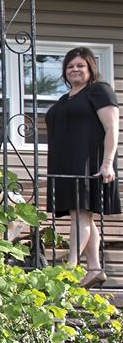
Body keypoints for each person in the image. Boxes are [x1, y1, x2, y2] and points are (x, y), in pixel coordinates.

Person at [45, 47, 120, 289]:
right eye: (70, 66)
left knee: (81, 214)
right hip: (66, 165)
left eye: (80, 65)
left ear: (90, 69)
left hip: (88, 163)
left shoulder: (99, 91)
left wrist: (107, 163)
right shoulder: (66, 98)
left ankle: (69, 268)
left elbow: (112, 128)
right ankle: (95, 268)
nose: (75, 69)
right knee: (83, 215)